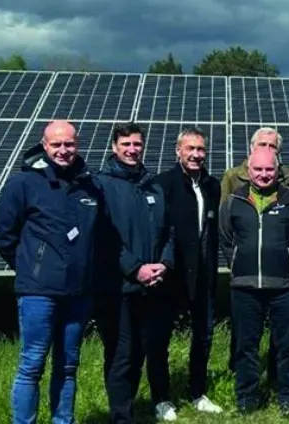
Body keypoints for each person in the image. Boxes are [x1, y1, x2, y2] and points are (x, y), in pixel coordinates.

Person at [0, 120, 103, 424]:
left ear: (77, 146)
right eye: (56, 144)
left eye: (69, 144)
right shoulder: (23, 184)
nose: (63, 150)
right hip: (38, 294)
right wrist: (32, 267)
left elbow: (98, 236)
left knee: (68, 366)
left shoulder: (89, 185)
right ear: (44, 146)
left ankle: (62, 421)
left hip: (78, 294)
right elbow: (5, 235)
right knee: (32, 365)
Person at [94, 122, 178, 423]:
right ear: (114, 147)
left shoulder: (152, 185)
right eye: (126, 144)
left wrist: (164, 264)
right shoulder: (101, 185)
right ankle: (121, 417)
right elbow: (103, 237)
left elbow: (169, 230)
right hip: (118, 288)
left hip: (153, 286)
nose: (132, 149)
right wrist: (134, 268)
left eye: (137, 144)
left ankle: (132, 409)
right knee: (121, 356)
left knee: (145, 349)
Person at [219, 149, 289, 417]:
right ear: (249, 170)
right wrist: (236, 262)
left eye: (269, 170)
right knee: (246, 345)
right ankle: (247, 395)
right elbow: (225, 237)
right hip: (245, 286)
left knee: (287, 345)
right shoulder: (234, 200)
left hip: (285, 286)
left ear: (277, 170)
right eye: (258, 169)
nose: (263, 175)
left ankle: (287, 395)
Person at [151, 126, 224, 415]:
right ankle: (161, 398)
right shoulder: (163, 184)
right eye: (190, 149)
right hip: (171, 275)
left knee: (203, 336)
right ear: (178, 151)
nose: (196, 154)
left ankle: (197, 392)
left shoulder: (212, 185)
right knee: (161, 338)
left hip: (203, 274)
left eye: (201, 149)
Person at [221, 127, 289, 377]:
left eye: (273, 146)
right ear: (252, 149)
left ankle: (281, 383)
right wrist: (237, 260)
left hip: (281, 276)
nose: (267, 149)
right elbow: (226, 230)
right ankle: (243, 383)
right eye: (263, 144)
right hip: (245, 276)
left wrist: (287, 256)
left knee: (285, 339)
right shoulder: (233, 177)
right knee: (246, 337)